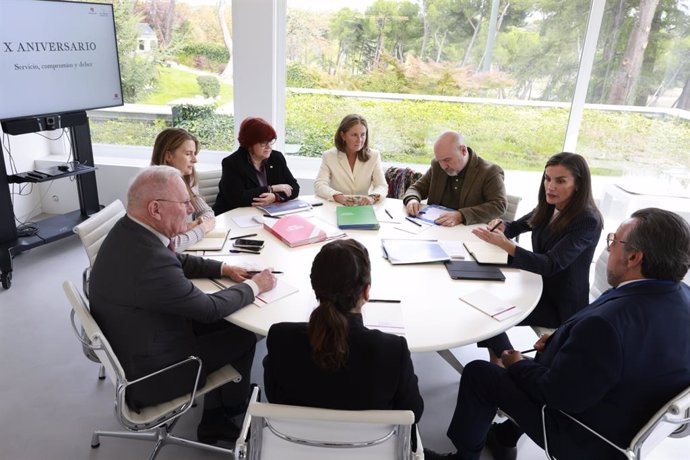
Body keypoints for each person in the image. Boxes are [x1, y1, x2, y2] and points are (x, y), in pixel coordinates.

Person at [425, 208, 690, 460]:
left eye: (614, 242)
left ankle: (464, 455)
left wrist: (515, 364)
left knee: (480, 373)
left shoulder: (606, 325)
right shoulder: (682, 297)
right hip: (628, 415)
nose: (608, 249)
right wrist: (564, 340)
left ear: (634, 258)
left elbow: (555, 394)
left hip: (585, 432)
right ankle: (505, 437)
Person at [89, 165, 277, 445]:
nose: (191, 208)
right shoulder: (150, 263)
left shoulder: (131, 231)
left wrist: (224, 268)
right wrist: (255, 286)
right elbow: (209, 309)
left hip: (141, 334)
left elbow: (176, 261)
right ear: (155, 209)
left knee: (224, 324)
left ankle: (223, 405)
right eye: (184, 202)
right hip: (155, 374)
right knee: (244, 335)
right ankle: (224, 418)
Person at [263, 239, 423, 423]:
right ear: (366, 292)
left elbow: (274, 397)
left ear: (315, 287)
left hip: (296, 445)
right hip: (369, 449)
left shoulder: (281, 337)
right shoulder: (393, 350)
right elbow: (413, 413)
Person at [473, 152, 603, 363]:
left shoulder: (587, 220)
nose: (550, 186)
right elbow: (515, 227)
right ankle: (499, 359)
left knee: (489, 313)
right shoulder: (550, 205)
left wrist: (506, 245)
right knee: (481, 300)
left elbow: (552, 264)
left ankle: (506, 361)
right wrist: (500, 227)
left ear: (578, 184)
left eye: (560, 181)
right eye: (547, 178)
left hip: (558, 303)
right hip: (534, 285)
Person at [403, 131, 506, 226]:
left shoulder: (490, 171)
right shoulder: (437, 166)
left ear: (463, 150)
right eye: (440, 161)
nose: (443, 166)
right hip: (435, 228)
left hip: (469, 233)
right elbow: (416, 189)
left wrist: (461, 216)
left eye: (447, 160)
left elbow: (499, 205)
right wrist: (412, 200)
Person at [213, 117, 300, 214]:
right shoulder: (232, 163)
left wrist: (275, 197)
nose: (269, 147)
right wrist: (271, 188)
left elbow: (295, 188)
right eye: (263, 142)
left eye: (270, 141)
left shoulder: (276, 158)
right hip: (233, 215)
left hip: (264, 214)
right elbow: (238, 198)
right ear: (249, 143)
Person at [150, 127, 216, 252]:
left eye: (194, 153)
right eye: (188, 154)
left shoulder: (184, 179)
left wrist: (197, 223)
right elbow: (170, 245)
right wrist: (201, 229)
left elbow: (207, 212)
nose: (195, 160)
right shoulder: (157, 192)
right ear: (168, 156)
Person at [314, 114, 388, 206]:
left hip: (362, 207)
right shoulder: (329, 156)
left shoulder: (374, 156)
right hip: (338, 205)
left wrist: (372, 198)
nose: (359, 140)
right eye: (354, 135)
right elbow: (319, 185)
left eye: (363, 135)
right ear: (343, 136)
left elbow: (382, 185)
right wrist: (337, 196)